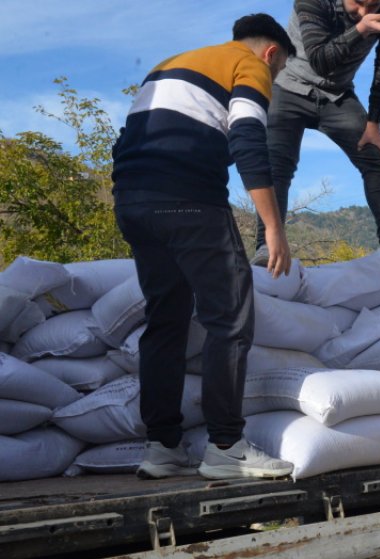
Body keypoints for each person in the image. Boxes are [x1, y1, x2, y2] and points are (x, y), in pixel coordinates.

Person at [112, 13, 296, 481]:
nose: (273, 80)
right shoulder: (248, 65)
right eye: (278, 72)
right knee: (228, 319)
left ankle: (162, 447)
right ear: (271, 53)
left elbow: (125, 140)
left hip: (133, 201)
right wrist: (273, 226)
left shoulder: (169, 64)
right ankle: (226, 447)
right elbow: (249, 140)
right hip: (189, 201)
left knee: (165, 320)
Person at [252, 0, 380, 263]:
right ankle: (266, 246)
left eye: (373, 6)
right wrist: (362, 29)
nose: (364, 13)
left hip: (337, 93)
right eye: (358, 4)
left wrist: (374, 123)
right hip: (288, 86)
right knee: (276, 164)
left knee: (375, 154)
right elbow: (320, 61)